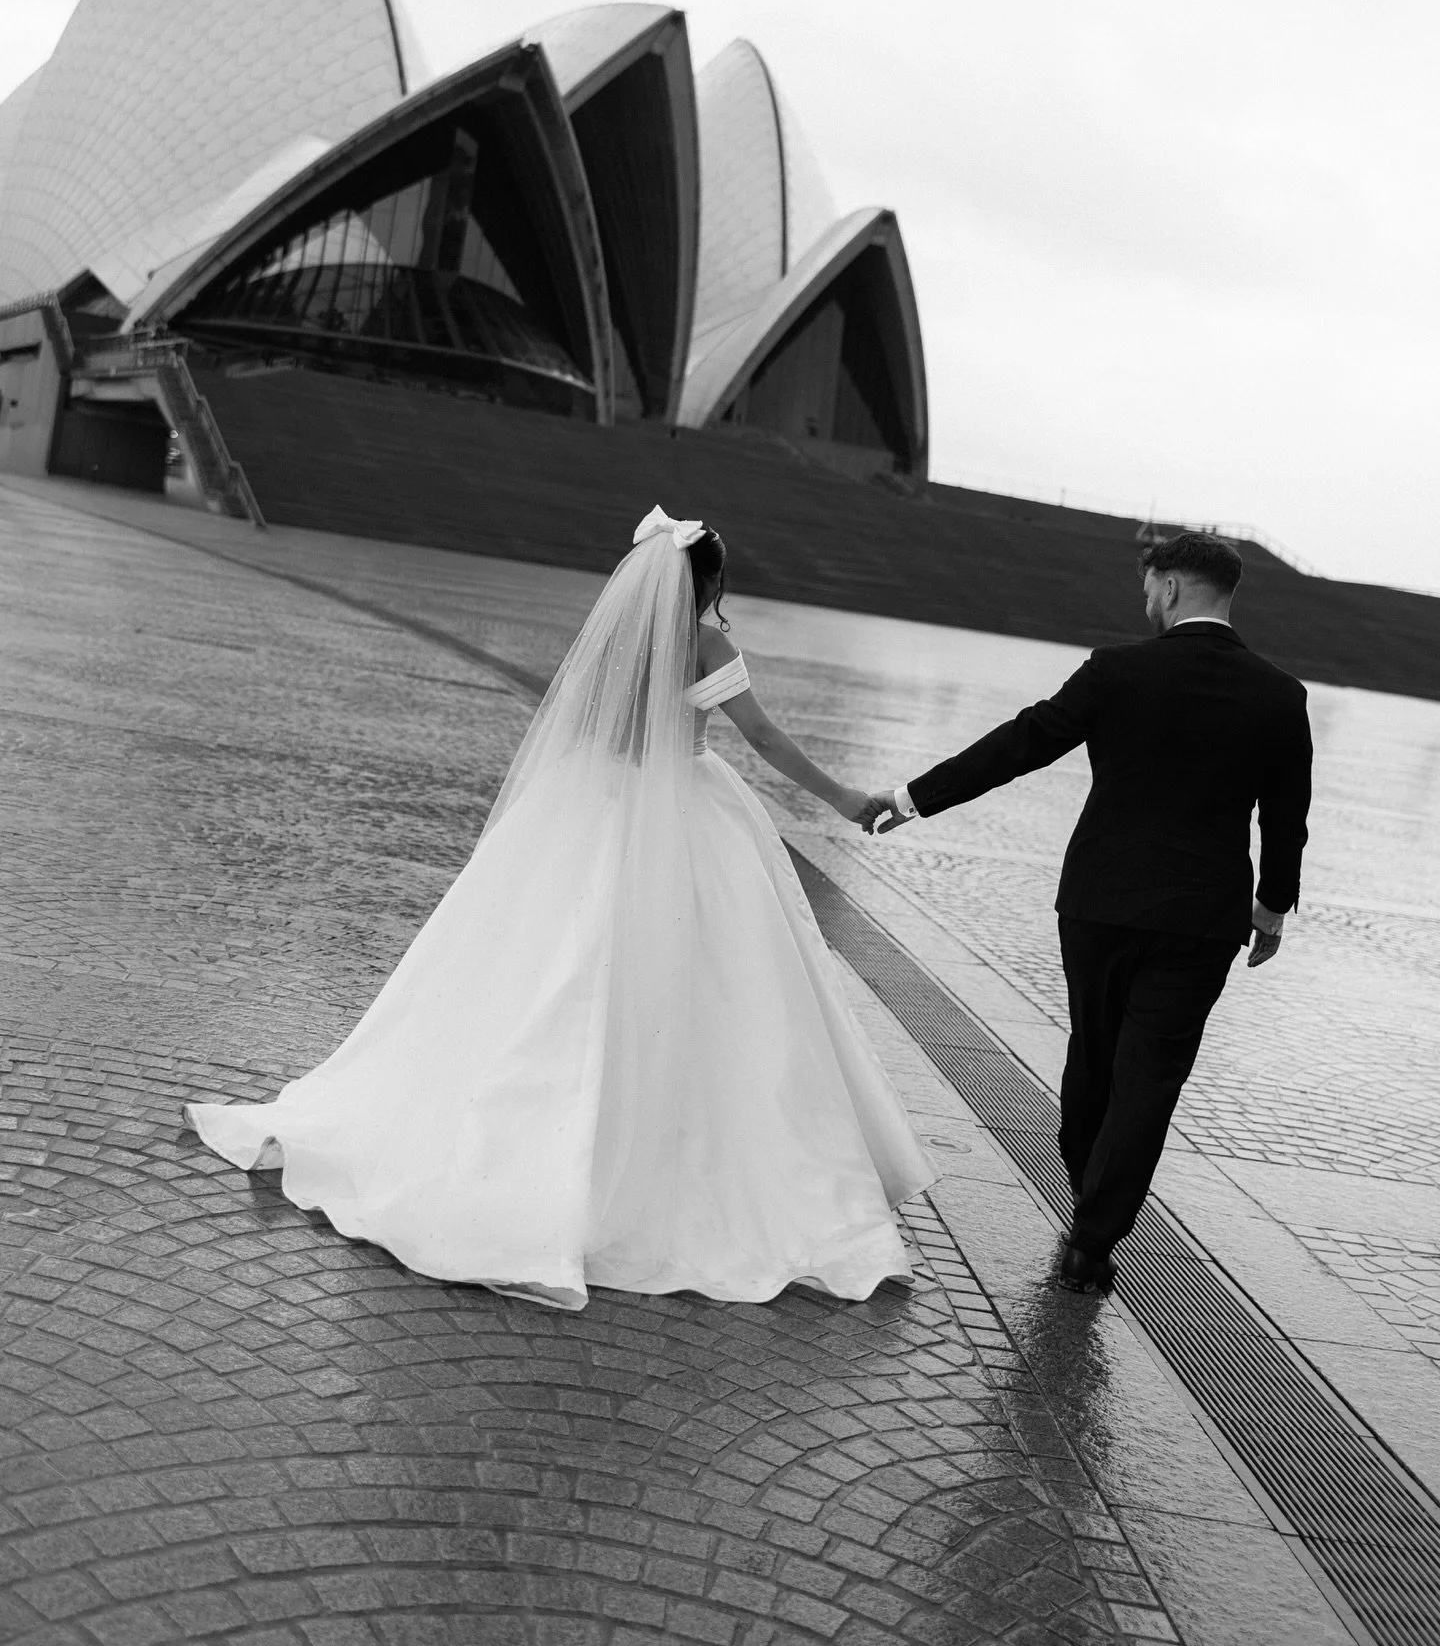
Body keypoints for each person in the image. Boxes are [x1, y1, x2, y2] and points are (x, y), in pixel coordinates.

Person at [186, 507, 934, 1311]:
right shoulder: (706, 643)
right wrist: (849, 799)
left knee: (555, 963)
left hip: (592, 802)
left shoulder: (618, 637)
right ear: (707, 582)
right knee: (720, 981)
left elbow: (584, 720)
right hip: (688, 811)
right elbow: (767, 739)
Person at [862, 531, 1312, 1292]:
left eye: (1148, 588)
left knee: (1095, 1058)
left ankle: (1088, 1194)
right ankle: (1094, 1240)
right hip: (1203, 920)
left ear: (1169, 587)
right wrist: (1271, 908)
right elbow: (1286, 817)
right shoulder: (1279, 694)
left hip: (1101, 903)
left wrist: (913, 799)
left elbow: (1023, 743)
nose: (1144, 602)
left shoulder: (1117, 671)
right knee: (1152, 1080)